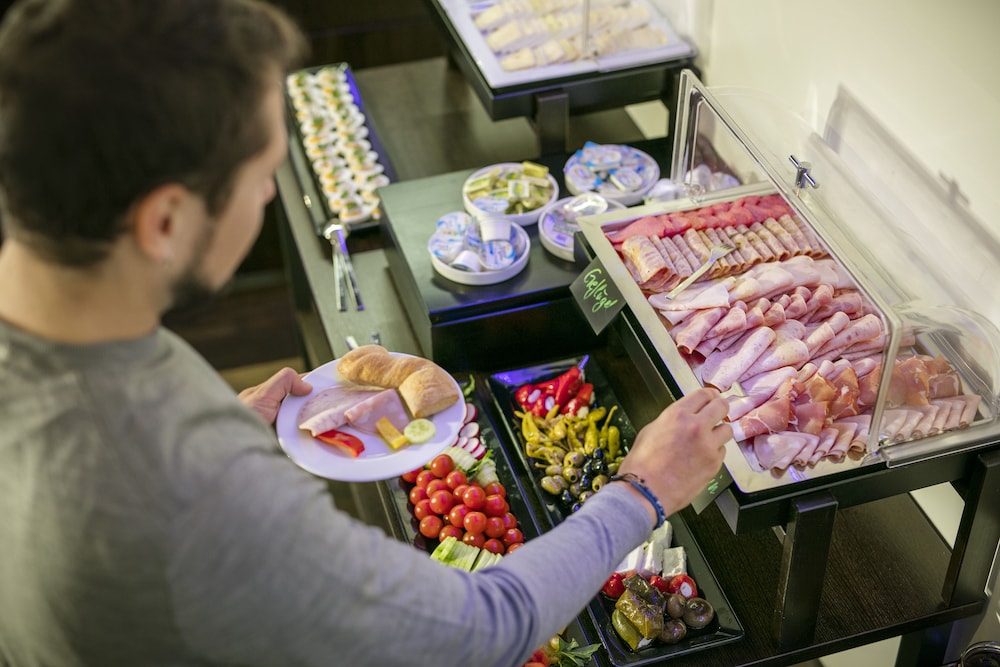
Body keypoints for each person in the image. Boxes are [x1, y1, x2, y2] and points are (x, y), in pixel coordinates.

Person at [0, 1, 732, 665]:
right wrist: (641, 490)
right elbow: (481, 628)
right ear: (163, 222)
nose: (267, 192)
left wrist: (225, 431)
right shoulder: (193, 485)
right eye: (262, 173)